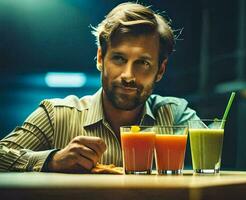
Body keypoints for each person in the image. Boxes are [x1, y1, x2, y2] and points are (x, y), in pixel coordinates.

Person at [0, 2, 199, 173]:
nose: (128, 76)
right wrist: (53, 160)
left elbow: (214, 140)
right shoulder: (56, 115)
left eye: (143, 63)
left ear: (160, 70)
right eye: (119, 59)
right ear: (100, 58)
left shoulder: (174, 113)